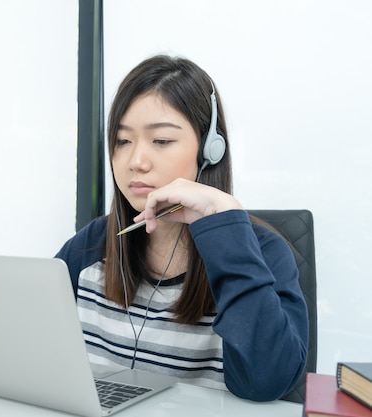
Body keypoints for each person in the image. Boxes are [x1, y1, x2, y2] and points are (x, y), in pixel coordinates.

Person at [55, 54, 308, 402]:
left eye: (161, 141)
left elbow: (264, 382)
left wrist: (226, 222)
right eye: (123, 141)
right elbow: (29, 346)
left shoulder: (262, 252)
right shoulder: (92, 245)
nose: (135, 162)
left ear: (209, 150)